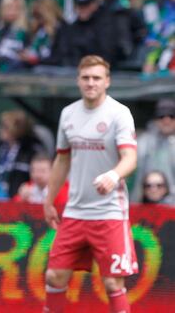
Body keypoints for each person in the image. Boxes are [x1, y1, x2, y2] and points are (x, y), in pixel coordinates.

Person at [44, 55, 138, 313]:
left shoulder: (119, 113)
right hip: (75, 211)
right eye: (86, 78)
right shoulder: (68, 114)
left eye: (97, 78)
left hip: (110, 212)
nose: (91, 83)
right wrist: (49, 199)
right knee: (54, 276)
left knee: (112, 282)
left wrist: (114, 175)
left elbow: (130, 158)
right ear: (78, 81)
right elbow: (62, 160)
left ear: (107, 81)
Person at [0, 110, 44, 199]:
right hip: (0, 197)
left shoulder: (30, 150)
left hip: (20, 199)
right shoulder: (2, 149)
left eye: (5, 127)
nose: (0, 129)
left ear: (16, 129)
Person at [131, 98, 175, 202]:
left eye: (171, 116)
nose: (166, 120)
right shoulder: (143, 142)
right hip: (145, 203)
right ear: (155, 120)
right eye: (161, 116)